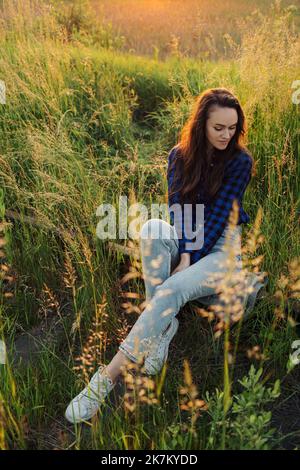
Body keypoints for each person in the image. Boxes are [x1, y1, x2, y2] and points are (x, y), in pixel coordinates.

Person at [65, 87, 258, 424]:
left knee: (172, 289)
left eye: (233, 127)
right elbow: (178, 210)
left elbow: (218, 218)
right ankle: (163, 329)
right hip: (189, 234)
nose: (227, 135)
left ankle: (104, 380)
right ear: (201, 125)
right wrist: (183, 250)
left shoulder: (240, 161)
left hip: (222, 249)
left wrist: (188, 257)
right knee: (153, 228)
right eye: (219, 128)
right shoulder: (178, 156)